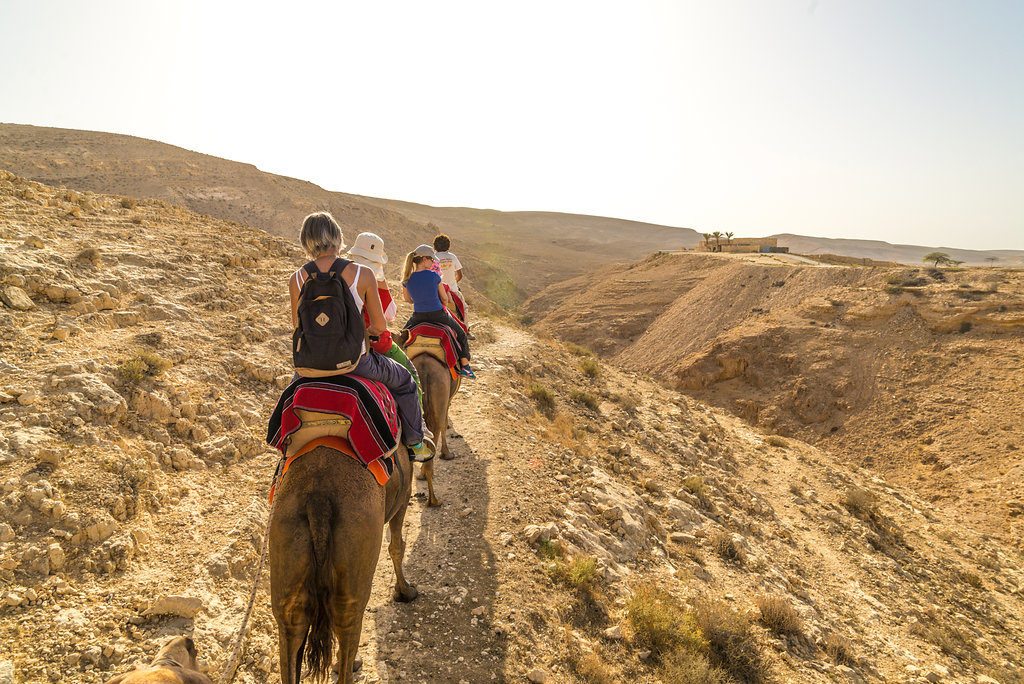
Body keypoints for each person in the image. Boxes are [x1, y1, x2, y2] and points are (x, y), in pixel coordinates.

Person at [289, 212, 434, 460]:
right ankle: (416, 442)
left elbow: (296, 325)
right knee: (405, 382)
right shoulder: (362, 274)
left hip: (309, 367)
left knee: (288, 401)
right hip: (356, 363)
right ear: (337, 237)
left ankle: (282, 461)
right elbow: (379, 325)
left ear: (306, 241)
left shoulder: (297, 278)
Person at [345, 231, 424, 409]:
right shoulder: (373, 280)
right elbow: (389, 315)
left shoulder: (341, 274)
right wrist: (382, 281)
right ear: (378, 261)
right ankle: (420, 430)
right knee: (411, 375)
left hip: (340, 344)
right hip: (376, 345)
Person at [401, 244, 475, 379]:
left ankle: (399, 366)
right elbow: (445, 299)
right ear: (424, 259)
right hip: (438, 314)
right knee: (461, 333)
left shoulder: (407, 279)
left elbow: (408, 299)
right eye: (431, 259)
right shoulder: (434, 276)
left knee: (401, 338)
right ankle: (465, 366)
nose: (433, 262)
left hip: (418, 316)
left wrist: (419, 301)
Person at [432, 233, 469, 327]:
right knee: (464, 308)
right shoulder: (452, 257)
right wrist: (453, 283)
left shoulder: (432, 258)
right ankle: (466, 329)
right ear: (448, 246)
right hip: (452, 289)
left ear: (435, 246)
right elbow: (460, 275)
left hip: (436, 291)